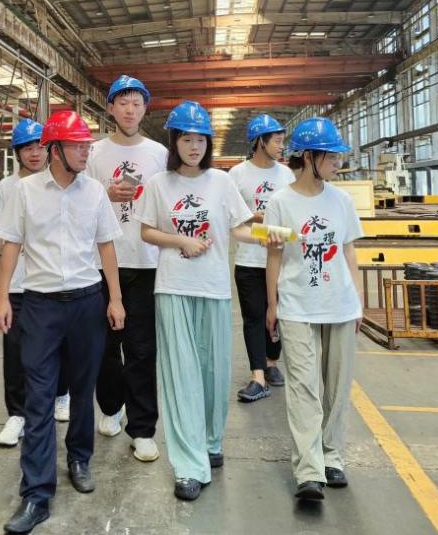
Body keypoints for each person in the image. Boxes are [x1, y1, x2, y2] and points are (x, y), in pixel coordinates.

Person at [0, 110, 126, 534]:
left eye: (87, 145)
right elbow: (11, 244)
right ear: (55, 150)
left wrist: (115, 299)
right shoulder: (25, 192)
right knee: (39, 395)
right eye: (78, 146)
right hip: (40, 305)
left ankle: (80, 458)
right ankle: (36, 493)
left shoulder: (95, 193)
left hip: (87, 303)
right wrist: (2, 296)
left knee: (83, 389)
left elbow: (106, 246)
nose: (86, 152)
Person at [137, 101, 264, 502]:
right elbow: (146, 231)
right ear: (174, 142)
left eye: (200, 140)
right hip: (173, 286)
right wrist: (181, 240)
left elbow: (241, 229)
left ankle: (210, 441)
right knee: (181, 377)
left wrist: (275, 235)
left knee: (214, 374)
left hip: (213, 288)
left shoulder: (221, 182)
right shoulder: (159, 184)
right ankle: (189, 466)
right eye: (186, 139)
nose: (194, 147)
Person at [264, 117, 364, 501]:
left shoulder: (342, 200)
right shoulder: (280, 202)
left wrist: (357, 301)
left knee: (337, 386)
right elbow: (274, 256)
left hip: (339, 304)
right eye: (331, 155)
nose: (338, 162)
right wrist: (272, 304)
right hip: (296, 305)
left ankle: (332, 456)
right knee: (303, 387)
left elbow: (349, 251)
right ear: (308, 156)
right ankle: (309, 470)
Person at [88, 75, 167, 462]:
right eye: (123, 103)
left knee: (142, 349)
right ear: (111, 108)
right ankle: (109, 407)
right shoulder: (93, 152)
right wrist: (106, 193)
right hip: (103, 263)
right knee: (105, 345)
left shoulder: (159, 153)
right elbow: (79, 198)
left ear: (144, 108)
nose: (130, 110)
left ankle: (143, 429)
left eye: (137, 103)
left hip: (146, 262)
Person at [0, 118, 71, 447]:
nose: (34, 153)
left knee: (59, 346)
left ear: (50, 150)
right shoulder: (7, 188)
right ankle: (17, 414)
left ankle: (61, 394)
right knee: (15, 350)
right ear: (17, 153)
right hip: (18, 284)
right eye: (27, 148)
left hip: (52, 282)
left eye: (39, 147)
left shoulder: (60, 183)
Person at [228, 114, 294, 403]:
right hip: (249, 260)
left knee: (276, 315)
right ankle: (258, 376)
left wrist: (275, 225)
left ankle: (271, 362)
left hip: (282, 260)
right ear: (260, 142)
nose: (281, 146)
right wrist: (261, 219)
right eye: (277, 141)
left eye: (282, 141)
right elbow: (232, 218)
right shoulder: (237, 175)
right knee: (253, 318)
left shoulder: (287, 175)